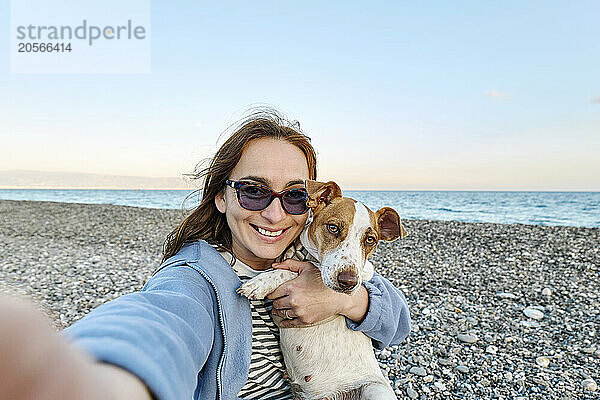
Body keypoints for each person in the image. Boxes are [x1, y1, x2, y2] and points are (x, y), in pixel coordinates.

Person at [0, 111, 411, 400]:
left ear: (313, 202)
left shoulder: (320, 260)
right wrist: (97, 376)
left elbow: (398, 322)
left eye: (294, 195)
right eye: (253, 190)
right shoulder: (199, 276)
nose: (273, 212)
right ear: (220, 196)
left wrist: (342, 298)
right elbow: (163, 319)